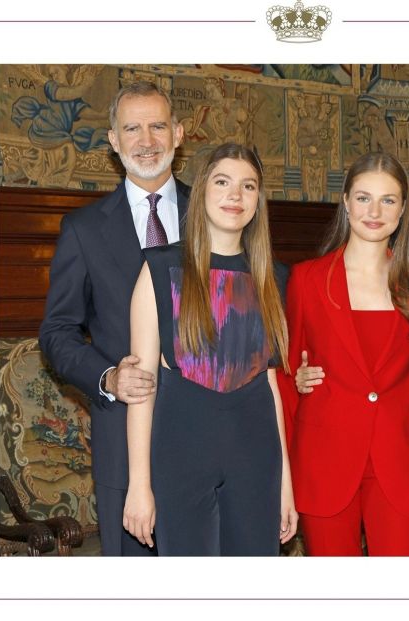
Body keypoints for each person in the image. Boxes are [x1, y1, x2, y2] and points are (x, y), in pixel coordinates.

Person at [123, 143, 298, 556]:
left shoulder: (274, 277)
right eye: (222, 182)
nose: (234, 195)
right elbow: (141, 387)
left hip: (256, 455)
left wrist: (285, 486)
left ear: (258, 200)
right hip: (181, 452)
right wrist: (138, 485)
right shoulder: (161, 268)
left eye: (248, 186)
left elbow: (271, 384)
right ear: (202, 191)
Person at [38, 81, 188, 556]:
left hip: (213, 434)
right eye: (132, 128)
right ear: (113, 140)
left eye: (157, 126)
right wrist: (106, 377)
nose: (146, 140)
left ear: (179, 134)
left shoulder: (218, 209)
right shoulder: (82, 229)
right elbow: (57, 332)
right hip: (123, 441)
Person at [278, 152, 409, 556]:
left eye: (388, 200)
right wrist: (286, 477)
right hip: (324, 464)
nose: (375, 211)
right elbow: (285, 374)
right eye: (364, 198)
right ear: (346, 202)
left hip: (399, 465)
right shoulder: (307, 280)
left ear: (403, 211)